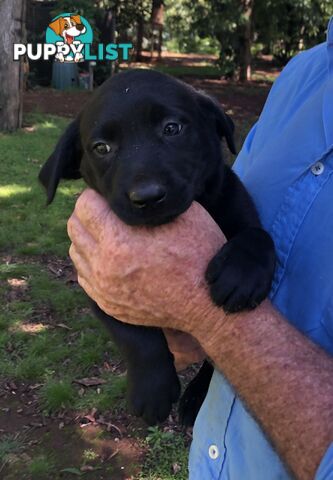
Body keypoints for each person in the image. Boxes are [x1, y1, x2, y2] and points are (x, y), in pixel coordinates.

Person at [67, 18, 333, 480]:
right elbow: (113, 293)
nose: (145, 183)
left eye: (172, 128)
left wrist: (205, 313)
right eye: (105, 146)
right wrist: (151, 353)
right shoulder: (306, 72)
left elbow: (246, 234)